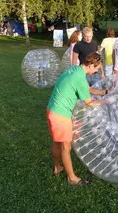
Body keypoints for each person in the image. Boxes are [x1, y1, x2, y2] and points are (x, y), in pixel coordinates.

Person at [46, 53, 107, 186]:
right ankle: (72, 178)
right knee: (65, 146)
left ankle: (57, 167)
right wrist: (107, 101)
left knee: (57, 142)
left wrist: (105, 92)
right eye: (96, 69)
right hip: (61, 114)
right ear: (91, 65)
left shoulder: (74, 69)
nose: (97, 71)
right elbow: (89, 102)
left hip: (52, 109)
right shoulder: (79, 78)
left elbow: (87, 89)